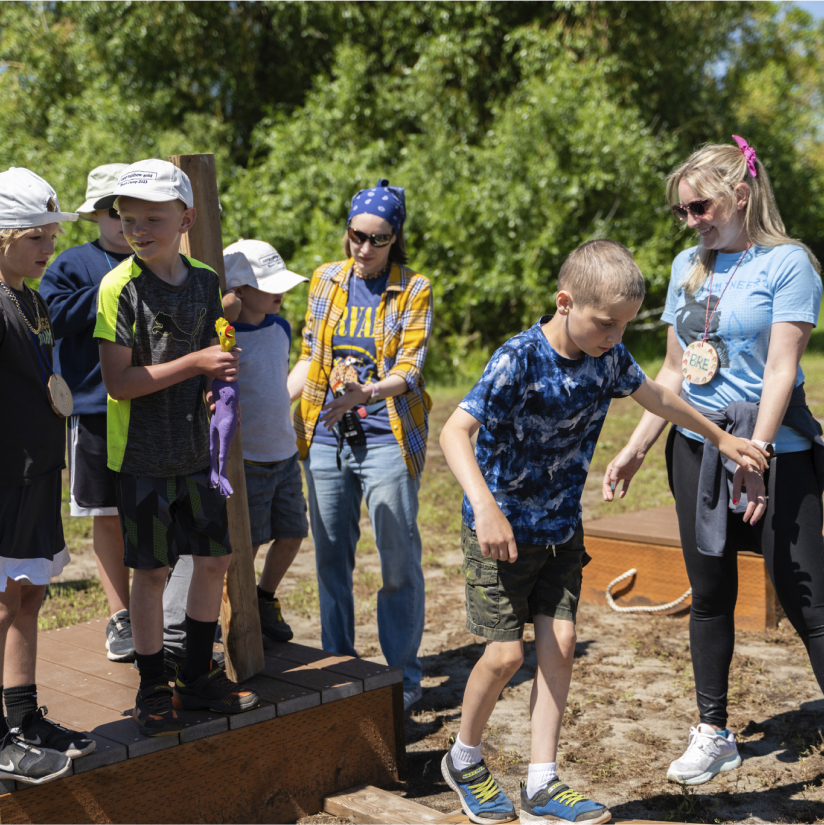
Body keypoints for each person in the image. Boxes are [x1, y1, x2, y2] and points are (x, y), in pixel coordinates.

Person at [438, 239, 769, 824]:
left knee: (560, 645)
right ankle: (464, 758)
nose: (615, 336)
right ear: (565, 302)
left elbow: (659, 396)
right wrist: (485, 508)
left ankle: (543, 783)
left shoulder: (608, 359)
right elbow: (454, 433)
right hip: (502, 530)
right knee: (504, 655)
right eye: (606, 323)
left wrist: (720, 438)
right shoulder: (517, 358)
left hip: (561, 528)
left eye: (624, 325)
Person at [604, 136, 824, 787]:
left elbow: (784, 369)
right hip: (698, 453)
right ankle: (713, 730)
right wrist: (636, 447)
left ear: (741, 194)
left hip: (776, 453)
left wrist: (754, 452)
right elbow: (674, 373)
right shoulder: (686, 267)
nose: (692, 220)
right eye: (683, 211)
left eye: (700, 206)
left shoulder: (790, 265)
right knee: (710, 594)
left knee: (808, 597)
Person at [94, 159, 260, 735]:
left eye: (153, 218)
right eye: (128, 218)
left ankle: (195, 676)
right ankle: (151, 688)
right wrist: (194, 364)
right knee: (152, 572)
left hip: (199, 458)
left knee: (215, 560)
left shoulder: (206, 282)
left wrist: (219, 387)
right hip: (142, 459)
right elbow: (119, 383)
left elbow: (217, 353)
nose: (139, 228)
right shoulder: (118, 288)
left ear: (186, 218)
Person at [288, 179, 432, 710]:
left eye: (379, 239)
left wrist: (364, 392)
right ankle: (339, 667)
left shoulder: (413, 288)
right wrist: (273, 410)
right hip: (326, 435)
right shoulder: (326, 279)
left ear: (396, 239)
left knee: (397, 560)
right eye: (356, 236)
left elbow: (411, 371)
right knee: (330, 557)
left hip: (386, 434)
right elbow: (310, 352)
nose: (365, 250)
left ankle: (403, 675)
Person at [160, 239, 309, 654]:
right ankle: (230, 609)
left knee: (293, 532)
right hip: (248, 461)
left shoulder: (280, 327)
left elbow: (277, 385)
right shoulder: (222, 336)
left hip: (284, 453)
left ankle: (263, 598)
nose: (281, 293)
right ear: (239, 292)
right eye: (268, 285)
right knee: (248, 541)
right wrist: (225, 310)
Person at [0, 167, 97, 783]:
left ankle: (21, 714)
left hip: (36, 468)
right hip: (4, 474)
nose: (51, 247)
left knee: (28, 594)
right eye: (38, 236)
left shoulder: (31, 297)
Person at [40, 163, 135, 664]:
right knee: (108, 516)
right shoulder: (73, 263)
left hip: (153, 406)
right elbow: (50, 317)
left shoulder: (161, 259)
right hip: (94, 409)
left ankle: (158, 612)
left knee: (160, 511)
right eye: (114, 213)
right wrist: (113, 285)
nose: (125, 222)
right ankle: (121, 616)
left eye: (134, 212)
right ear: (96, 216)